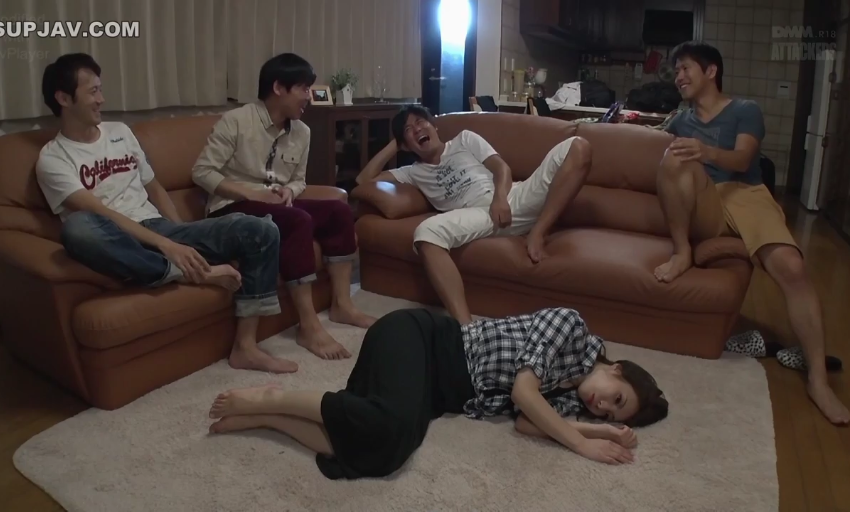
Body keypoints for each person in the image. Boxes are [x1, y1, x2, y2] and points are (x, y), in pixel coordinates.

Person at [36, 53, 298, 374]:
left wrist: (181, 237)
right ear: (64, 98)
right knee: (78, 228)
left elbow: (155, 187)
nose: (101, 99)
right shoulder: (53, 159)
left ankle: (245, 347)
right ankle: (188, 274)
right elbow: (98, 212)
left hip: (161, 228)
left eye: (100, 89)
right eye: (92, 92)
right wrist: (168, 247)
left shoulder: (120, 132)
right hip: (117, 240)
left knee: (261, 230)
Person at [207, 307, 668, 479]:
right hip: (423, 337)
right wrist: (583, 445)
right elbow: (525, 394)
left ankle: (269, 418)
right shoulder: (570, 327)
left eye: (610, 413)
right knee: (389, 423)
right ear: (617, 369)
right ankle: (270, 399)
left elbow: (529, 424)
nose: (601, 406)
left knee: (386, 453)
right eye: (616, 397)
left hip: (435, 391)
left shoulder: (569, 398)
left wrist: (599, 431)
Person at [654, 41, 850, 425]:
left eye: (686, 68)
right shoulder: (679, 120)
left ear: (711, 71)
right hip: (706, 202)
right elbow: (657, 147)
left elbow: (744, 159)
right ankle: (682, 251)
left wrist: (704, 151)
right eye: (676, 71)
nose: (678, 76)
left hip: (747, 194)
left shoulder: (745, 110)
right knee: (671, 157)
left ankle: (818, 380)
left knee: (792, 268)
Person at [192, 53, 375, 362]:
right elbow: (202, 172)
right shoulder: (237, 121)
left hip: (277, 206)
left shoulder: (302, 131)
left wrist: (290, 190)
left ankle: (342, 304)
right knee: (298, 220)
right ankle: (308, 325)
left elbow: (299, 179)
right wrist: (253, 193)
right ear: (278, 87)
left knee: (339, 211)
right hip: (232, 208)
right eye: (303, 88)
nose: (309, 97)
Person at [355, 105, 593, 325]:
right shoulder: (412, 172)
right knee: (426, 233)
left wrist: (500, 198)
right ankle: (467, 329)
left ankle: (539, 231)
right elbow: (364, 180)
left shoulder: (464, 139)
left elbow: (501, 168)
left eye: (421, 122)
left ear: (435, 126)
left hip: (514, 196)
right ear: (406, 146)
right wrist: (395, 144)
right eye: (409, 129)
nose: (417, 129)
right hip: (476, 216)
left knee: (578, 146)